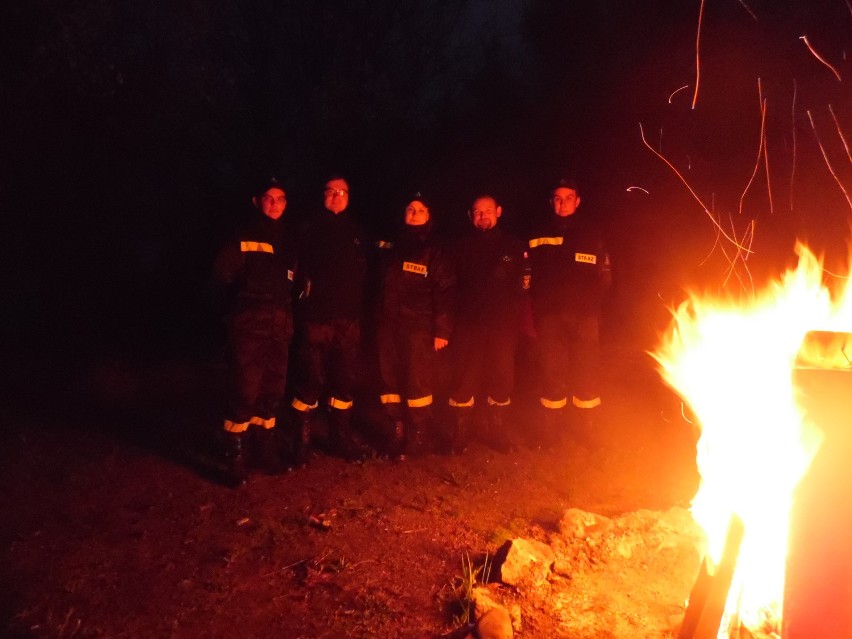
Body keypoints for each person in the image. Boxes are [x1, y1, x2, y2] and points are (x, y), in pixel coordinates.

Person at [212, 177, 297, 485]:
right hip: (249, 324)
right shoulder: (243, 235)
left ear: (286, 204)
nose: (274, 204)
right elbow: (220, 278)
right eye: (268, 198)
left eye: (280, 199)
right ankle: (235, 455)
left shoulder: (288, 240)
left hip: (280, 325)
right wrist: (231, 317)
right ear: (257, 201)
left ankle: (265, 450)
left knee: (273, 390)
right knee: (244, 389)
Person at [289, 175, 369, 464]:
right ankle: (302, 442)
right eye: (331, 191)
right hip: (315, 318)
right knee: (309, 379)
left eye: (342, 192)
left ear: (349, 196)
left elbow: (366, 273)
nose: (336, 196)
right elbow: (293, 271)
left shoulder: (358, 231)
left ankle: (341, 438)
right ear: (323, 195)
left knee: (344, 381)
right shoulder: (307, 229)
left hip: (348, 319)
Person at [527, 177, 611, 444]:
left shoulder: (592, 233)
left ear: (578, 201)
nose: (562, 203)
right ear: (552, 201)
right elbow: (527, 275)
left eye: (568, 198)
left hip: (585, 317)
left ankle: (586, 430)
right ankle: (551, 432)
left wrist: (595, 309)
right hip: (550, 316)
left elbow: (605, 276)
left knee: (586, 371)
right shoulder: (537, 233)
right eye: (557, 198)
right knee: (552, 372)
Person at [373, 192, 454, 458]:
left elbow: (446, 291)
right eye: (410, 209)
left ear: (429, 216)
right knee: (390, 379)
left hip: (419, 327)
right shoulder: (389, 246)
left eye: (421, 210)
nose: (415, 214)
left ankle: (419, 433)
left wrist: (442, 330)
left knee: (418, 381)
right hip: (388, 325)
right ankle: (396, 429)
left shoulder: (435, 249)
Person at [447, 194, 527, 452]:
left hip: (502, 326)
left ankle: (497, 431)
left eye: (488, 210)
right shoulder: (459, 247)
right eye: (477, 212)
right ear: (471, 216)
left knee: (502, 378)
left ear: (499, 211)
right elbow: (450, 287)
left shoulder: (514, 246)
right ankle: (461, 433)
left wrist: (512, 320)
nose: (483, 216)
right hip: (468, 324)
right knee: (464, 379)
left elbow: (523, 288)